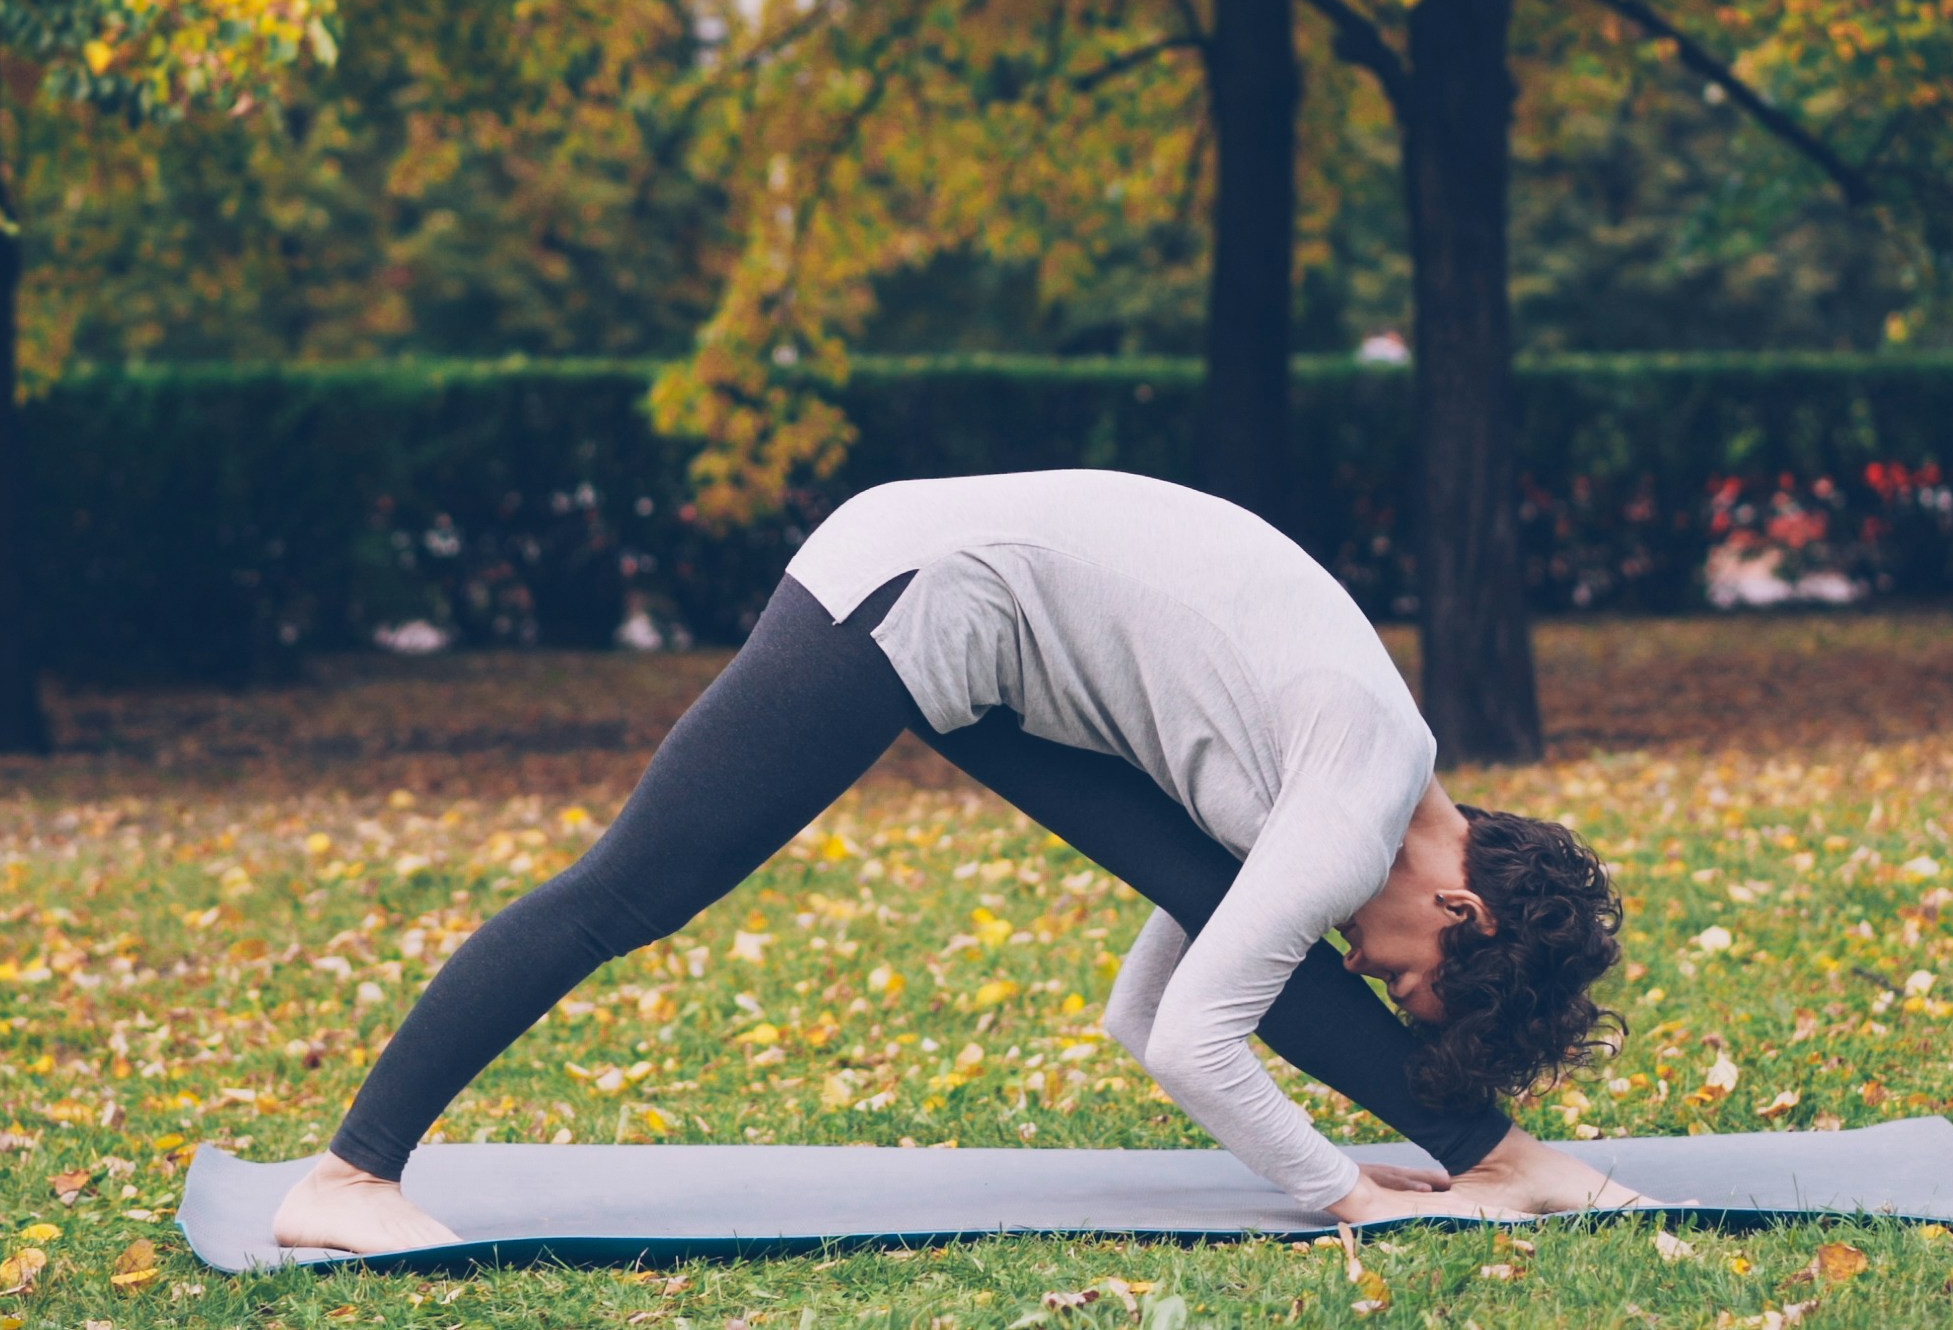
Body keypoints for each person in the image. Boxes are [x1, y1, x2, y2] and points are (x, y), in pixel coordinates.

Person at [274, 469, 1641, 1253]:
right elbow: (1191, 1044)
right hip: (915, 589)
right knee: (635, 887)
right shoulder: (1348, 805)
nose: (1368, 971)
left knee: (1244, 924)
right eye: (1411, 981)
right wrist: (1337, 1189)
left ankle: (1500, 1155)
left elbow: (1149, 1007)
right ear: (1459, 906)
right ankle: (349, 1178)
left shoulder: (1368, 773)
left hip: (1001, 645)